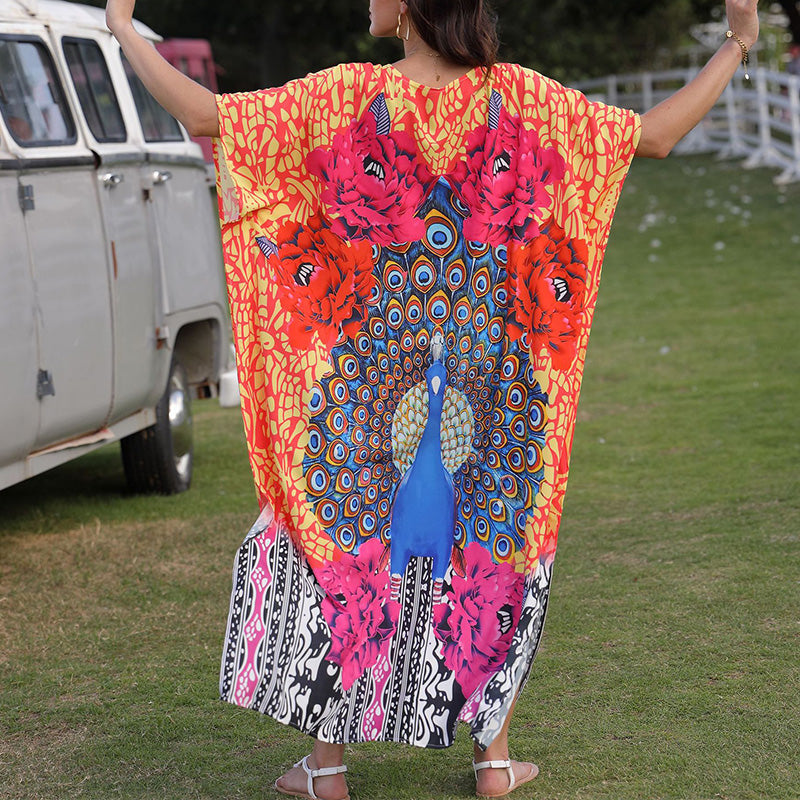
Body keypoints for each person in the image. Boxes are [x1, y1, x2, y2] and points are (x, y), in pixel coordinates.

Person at [105, 1, 759, 798]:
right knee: (490, 552)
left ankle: (326, 769)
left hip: (366, 396)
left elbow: (208, 115)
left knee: (347, 552)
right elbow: (653, 136)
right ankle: (491, 763)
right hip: (494, 396)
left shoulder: (345, 97)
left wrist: (124, 29)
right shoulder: (521, 99)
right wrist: (736, 45)